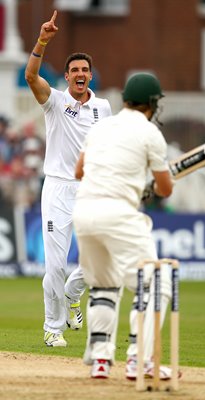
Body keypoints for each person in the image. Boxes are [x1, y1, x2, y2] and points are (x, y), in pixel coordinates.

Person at [73, 72, 174, 379]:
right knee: (156, 283)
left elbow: (79, 171)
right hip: (118, 213)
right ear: (153, 104)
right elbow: (165, 189)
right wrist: (147, 188)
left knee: (104, 285)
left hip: (84, 210)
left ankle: (101, 361)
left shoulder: (102, 126)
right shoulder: (150, 133)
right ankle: (139, 360)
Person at [25, 10, 112, 347]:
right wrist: (43, 41)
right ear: (66, 76)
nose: (80, 74)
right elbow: (31, 76)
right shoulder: (55, 102)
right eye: (74, 70)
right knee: (56, 265)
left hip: (91, 189)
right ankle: (53, 328)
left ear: (90, 77)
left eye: (84, 70)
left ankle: (74, 293)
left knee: (101, 258)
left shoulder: (103, 107)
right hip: (58, 189)